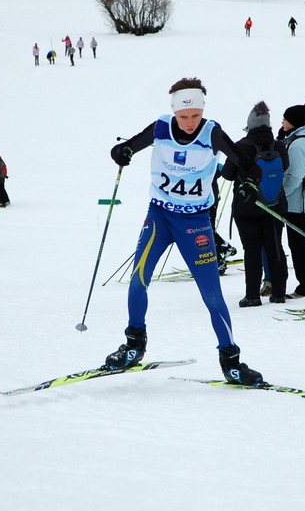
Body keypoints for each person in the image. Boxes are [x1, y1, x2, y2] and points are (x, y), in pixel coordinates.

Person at [106, 77, 265, 386]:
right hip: (160, 218)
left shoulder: (211, 132)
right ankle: (134, 344)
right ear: (174, 112)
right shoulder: (160, 128)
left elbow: (246, 162)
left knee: (212, 297)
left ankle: (231, 361)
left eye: (195, 115)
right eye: (184, 116)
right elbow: (128, 147)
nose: (190, 122)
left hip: (195, 224)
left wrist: (248, 181)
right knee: (138, 280)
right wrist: (121, 152)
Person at [221, 101, 290, 306]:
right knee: (275, 247)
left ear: (249, 126)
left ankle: (252, 296)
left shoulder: (241, 146)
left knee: (251, 251)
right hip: (275, 205)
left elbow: (227, 174)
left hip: (247, 207)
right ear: (268, 125)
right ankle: (278, 293)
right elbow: (284, 166)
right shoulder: (278, 145)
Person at [278, 100, 305, 298]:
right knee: (300, 243)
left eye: (285, 119)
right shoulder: (300, 139)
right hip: (300, 200)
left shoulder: (299, 144)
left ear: (293, 122)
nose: (282, 123)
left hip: (297, 203)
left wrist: (280, 194)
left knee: (300, 245)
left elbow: (295, 175)